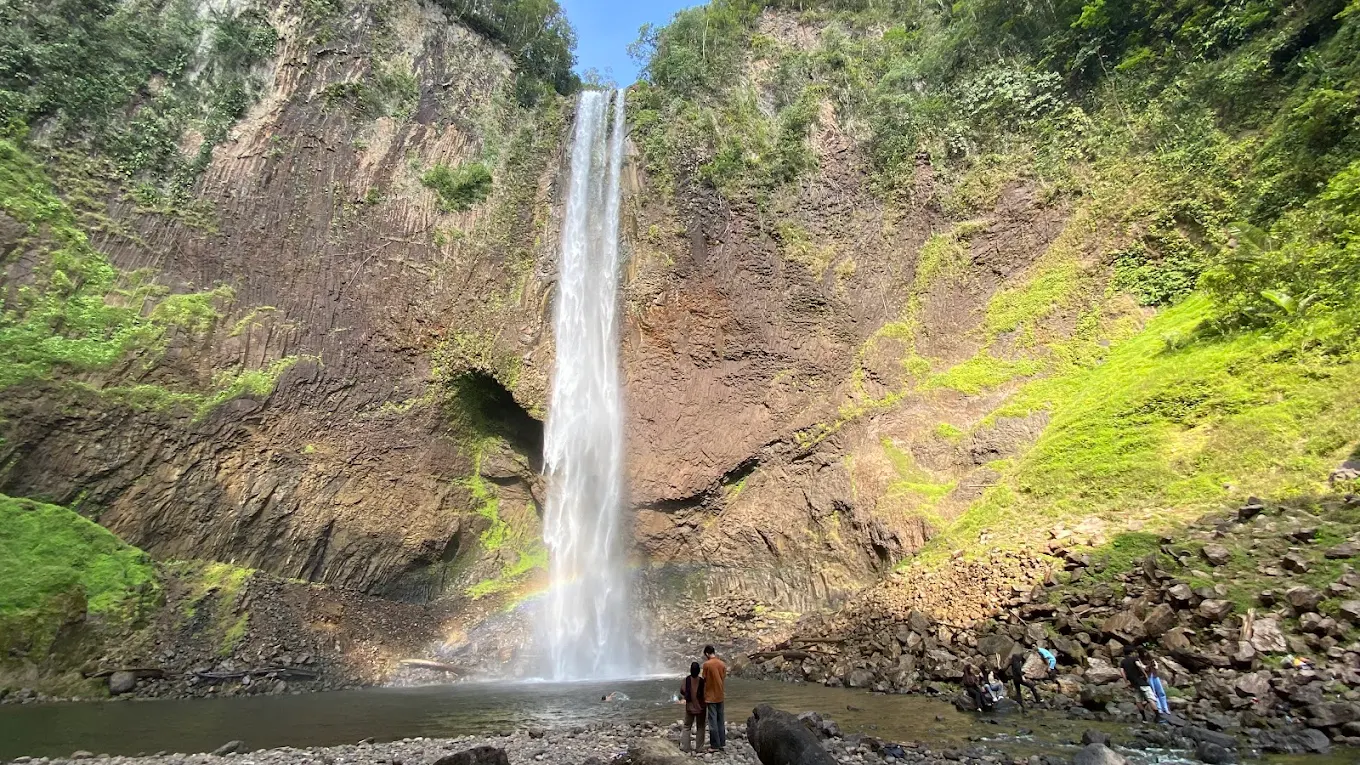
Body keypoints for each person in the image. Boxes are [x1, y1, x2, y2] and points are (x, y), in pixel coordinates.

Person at [701, 645, 727, 751]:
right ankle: (722, 742)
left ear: (707, 653)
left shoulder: (707, 664)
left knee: (713, 721)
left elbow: (704, 678)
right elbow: (723, 677)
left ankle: (715, 745)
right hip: (720, 694)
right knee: (720, 720)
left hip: (711, 696)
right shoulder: (722, 664)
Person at [1120, 650, 1156, 721]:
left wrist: (1126, 681)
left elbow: (1122, 672)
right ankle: (1158, 716)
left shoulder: (1123, 662)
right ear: (1131, 653)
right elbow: (1140, 666)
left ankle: (1144, 718)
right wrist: (1145, 671)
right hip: (1142, 682)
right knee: (1150, 698)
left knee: (1138, 701)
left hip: (1134, 684)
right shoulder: (1134, 659)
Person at [679, 661, 707, 753]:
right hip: (701, 708)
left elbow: (682, 691)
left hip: (689, 708)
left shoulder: (686, 680)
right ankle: (699, 748)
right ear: (699, 671)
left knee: (687, 726)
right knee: (701, 727)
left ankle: (686, 747)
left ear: (690, 670)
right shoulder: (702, 681)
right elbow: (705, 693)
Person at [1142, 650, 1170, 718]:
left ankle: (1165, 708)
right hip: (1149, 677)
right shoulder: (1142, 661)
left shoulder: (1153, 661)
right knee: (1154, 693)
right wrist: (1149, 666)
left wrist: (1154, 666)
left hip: (1155, 676)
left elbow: (1156, 668)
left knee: (1161, 692)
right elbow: (1144, 669)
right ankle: (1159, 708)